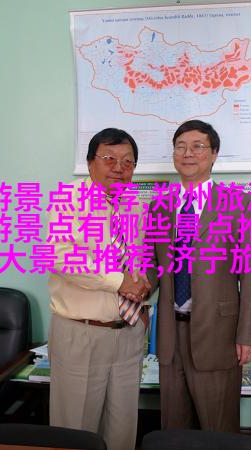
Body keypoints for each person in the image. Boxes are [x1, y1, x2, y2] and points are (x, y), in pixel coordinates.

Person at [146, 120, 251, 432]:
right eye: (180, 147)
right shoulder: (160, 206)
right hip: (170, 332)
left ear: (214, 154)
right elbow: (153, 265)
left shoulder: (241, 204)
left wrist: (248, 335)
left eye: (197, 146)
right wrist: (129, 287)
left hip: (218, 333)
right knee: (173, 427)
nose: (188, 153)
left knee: (218, 427)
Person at [47, 128, 151, 450]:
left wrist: (144, 296)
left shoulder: (136, 207)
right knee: (76, 432)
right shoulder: (67, 200)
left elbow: (139, 261)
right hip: (82, 332)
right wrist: (119, 282)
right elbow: (61, 256)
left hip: (128, 331)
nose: (119, 168)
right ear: (91, 163)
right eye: (109, 159)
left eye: (128, 161)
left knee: (122, 430)